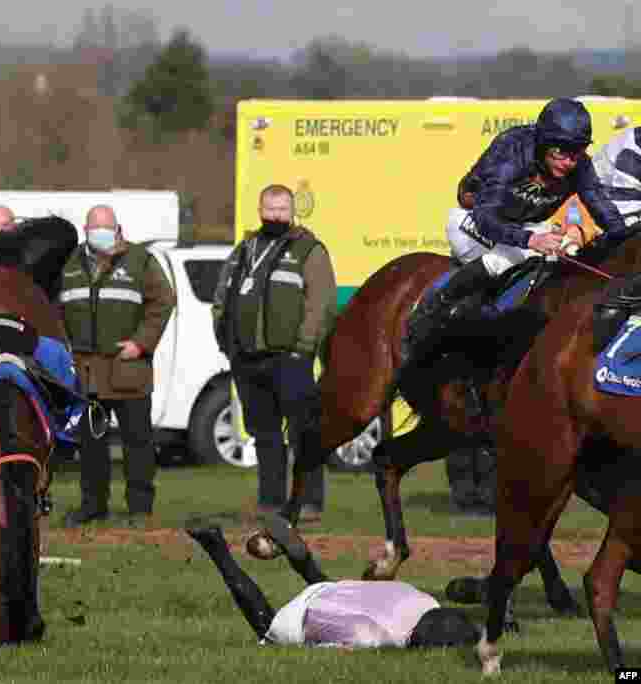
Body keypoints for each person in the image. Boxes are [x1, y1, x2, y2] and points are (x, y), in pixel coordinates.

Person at [411, 97, 633, 346]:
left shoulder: (580, 166)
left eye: (577, 152)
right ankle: (433, 308)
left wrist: (628, 241)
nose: (569, 162)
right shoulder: (513, 150)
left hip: (519, 226)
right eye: (561, 151)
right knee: (512, 255)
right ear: (542, 142)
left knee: (566, 252)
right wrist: (530, 239)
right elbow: (486, 218)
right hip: (472, 220)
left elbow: (604, 210)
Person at [211, 184, 337, 520]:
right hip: (247, 359)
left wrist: (303, 348)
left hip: (291, 357)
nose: (276, 215)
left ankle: (308, 504)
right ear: (260, 210)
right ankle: (270, 503)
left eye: (282, 209)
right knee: (264, 434)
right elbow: (222, 297)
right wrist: (227, 342)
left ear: (292, 211)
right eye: (270, 209)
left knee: (303, 431)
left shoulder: (309, 250)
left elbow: (321, 303)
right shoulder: (244, 249)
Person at [186, 518, 481, 649]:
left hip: (340, 589)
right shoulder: (377, 640)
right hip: (306, 613)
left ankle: (302, 561)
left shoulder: (425, 600)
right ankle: (216, 547)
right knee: (267, 628)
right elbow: (323, 644)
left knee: (333, 589)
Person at [59, 205, 176, 526]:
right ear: (85, 229)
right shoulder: (70, 264)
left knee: (137, 443)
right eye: (94, 227)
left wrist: (141, 343)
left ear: (118, 228)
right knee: (92, 444)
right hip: (86, 371)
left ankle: (140, 508)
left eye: (106, 226)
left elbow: (163, 302)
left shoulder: (141, 261)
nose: (100, 232)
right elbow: (57, 310)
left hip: (128, 368)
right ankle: (92, 505)